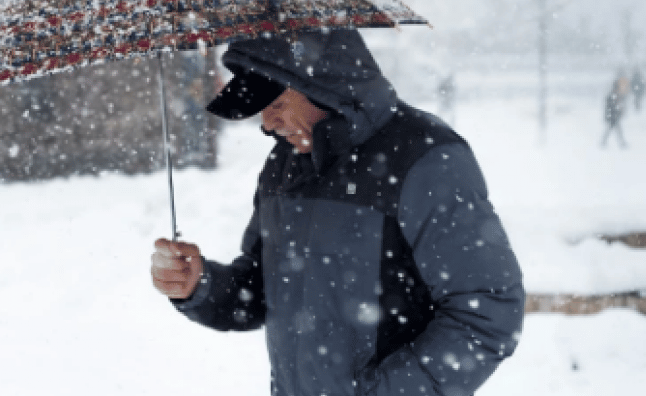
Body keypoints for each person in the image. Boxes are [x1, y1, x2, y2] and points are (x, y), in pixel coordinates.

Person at [151, 31, 524, 396]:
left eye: (276, 105)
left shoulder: (423, 157)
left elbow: (487, 312)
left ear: (322, 86)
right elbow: (264, 287)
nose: (267, 124)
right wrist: (201, 285)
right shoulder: (285, 162)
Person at [601, 74, 629, 148]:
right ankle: (621, 143)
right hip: (613, 116)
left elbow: (614, 106)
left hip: (613, 116)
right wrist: (616, 111)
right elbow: (610, 107)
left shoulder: (615, 95)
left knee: (612, 130)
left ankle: (604, 142)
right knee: (615, 130)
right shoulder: (613, 95)